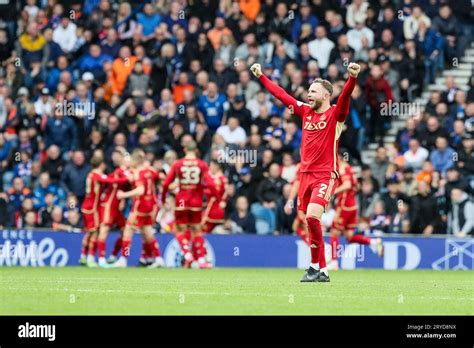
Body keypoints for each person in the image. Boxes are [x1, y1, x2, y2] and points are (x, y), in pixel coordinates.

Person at [251, 60, 360, 282]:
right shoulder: (305, 112)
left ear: (326, 95)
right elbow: (282, 95)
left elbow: (345, 98)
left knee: (312, 217)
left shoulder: (336, 116)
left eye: (313, 91)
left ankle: (313, 266)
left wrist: (352, 78)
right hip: (305, 176)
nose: (309, 94)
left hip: (325, 174)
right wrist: (261, 76)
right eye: (308, 91)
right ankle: (323, 270)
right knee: (309, 222)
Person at [161, 140, 217, 268]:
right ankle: (202, 260)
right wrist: (216, 198)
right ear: (196, 150)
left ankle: (187, 255)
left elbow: (165, 184)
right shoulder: (202, 164)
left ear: (185, 149)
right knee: (197, 230)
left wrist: (163, 198)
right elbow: (211, 184)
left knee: (179, 229)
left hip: (181, 200)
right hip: (196, 201)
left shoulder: (178, 164)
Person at [328, 156, 383, 271]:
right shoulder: (351, 170)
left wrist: (333, 192)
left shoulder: (343, 169)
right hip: (353, 205)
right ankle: (374, 242)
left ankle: (333, 262)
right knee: (349, 236)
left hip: (344, 205)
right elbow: (357, 186)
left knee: (334, 233)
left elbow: (347, 185)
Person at [114, 149, 165, 268]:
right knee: (147, 232)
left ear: (135, 161)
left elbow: (140, 190)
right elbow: (161, 176)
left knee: (128, 230)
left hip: (140, 205)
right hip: (151, 205)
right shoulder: (150, 170)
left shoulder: (138, 173)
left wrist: (123, 195)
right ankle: (158, 258)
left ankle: (123, 258)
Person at [79, 154, 130, 267]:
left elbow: (110, 180)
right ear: (102, 164)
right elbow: (111, 181)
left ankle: (86, 256)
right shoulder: (96, 175)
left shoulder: (94, 174)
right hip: (92, 207)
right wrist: (127, 178)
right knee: (95, 232)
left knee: (92, 232)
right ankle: (93, 258)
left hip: (93, 206)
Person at [202, 160, 229, 233]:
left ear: (216, 166)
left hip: (214, 208)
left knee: (203, 228)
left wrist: (201, 191)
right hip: (219, 208)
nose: (210, 168)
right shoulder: (223, 178)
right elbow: (226, 193)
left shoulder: (218, 179)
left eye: (211, 166)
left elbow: (215, 192)